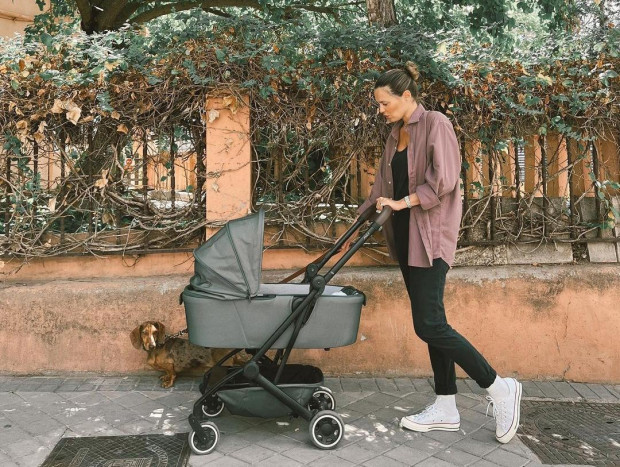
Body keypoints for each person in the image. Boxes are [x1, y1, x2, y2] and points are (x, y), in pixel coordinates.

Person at [344, 63, 522, 444]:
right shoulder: (395, 135)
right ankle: (445, 406)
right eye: (377, 104)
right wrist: (354, 226)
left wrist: (402, 201)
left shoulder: (436, 124)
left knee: (429, 325)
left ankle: (499, 387)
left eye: (384, 102)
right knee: (433, 323)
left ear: (406, 96)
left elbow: (443, 181)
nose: (380, 110)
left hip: (431, 239)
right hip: (406, 240)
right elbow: (380, 188)